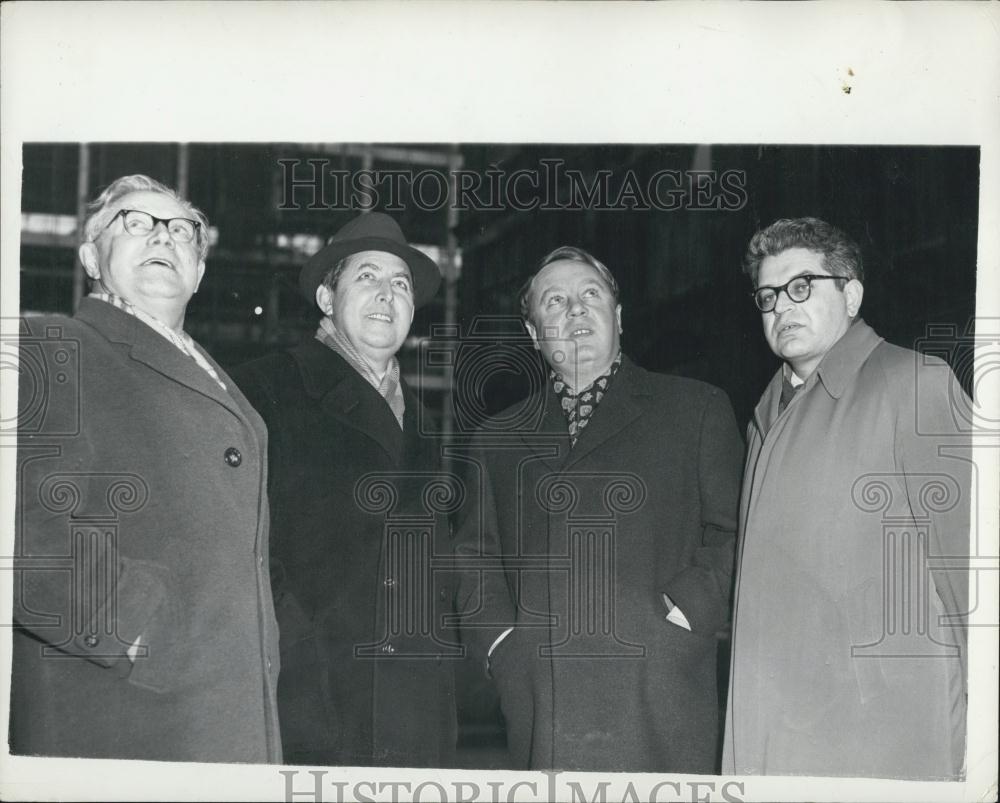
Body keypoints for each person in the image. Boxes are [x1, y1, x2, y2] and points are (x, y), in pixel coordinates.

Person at [11, 174, 281, 763]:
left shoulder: (218, 379)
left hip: (219, 713)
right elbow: (20, 527)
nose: (163, 236)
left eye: (181, 230)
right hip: (120, 720)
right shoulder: (49, 345)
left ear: (200, 272)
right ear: (90, 256)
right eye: (136, 222)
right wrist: (134, 625)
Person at [454, 246, 743, 772]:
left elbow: (736, 533)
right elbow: (475, 558)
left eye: (591, 294)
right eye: (555, 300)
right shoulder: (496, 437)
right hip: (542, 698)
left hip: (657, 689)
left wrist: (684, 614)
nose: (575, 309)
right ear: (532, 332)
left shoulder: (695, 409)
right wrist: (503, 645)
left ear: (619, 316)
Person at [722, 217, 971, 778]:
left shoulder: (913, 383)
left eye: (802, 287)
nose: (782, 306)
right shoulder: (765, 418)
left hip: (882, 738)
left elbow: (972, 586)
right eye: (768, 296)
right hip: (775, 731)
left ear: (852, 294)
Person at [231, 212, 458, 767]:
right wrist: (295, 648)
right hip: (310, 701)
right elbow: (235, 543)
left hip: (415, 714)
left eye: (400, 284)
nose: (387, 295)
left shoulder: (427, 425)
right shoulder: (266, 388)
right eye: (367, 277)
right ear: (327, 299)